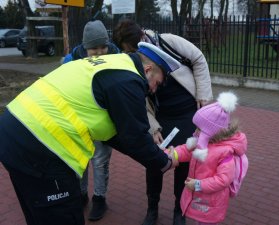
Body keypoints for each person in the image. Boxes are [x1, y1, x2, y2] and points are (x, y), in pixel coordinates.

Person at [0, 42, 180, 225]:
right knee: (64, 216)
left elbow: (120, 136)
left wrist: (153, 153)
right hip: (40, 146)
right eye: (157, 82)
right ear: (148, 69)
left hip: (15, 129)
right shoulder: (129, 80)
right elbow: (135, 138)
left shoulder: (113, 64)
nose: (154, 89)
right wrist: (164, 161)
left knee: (39, 214)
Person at [113, 19, 213, 225]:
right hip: (161, 116)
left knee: (184, 162)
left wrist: (203, 93)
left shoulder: (168, 41)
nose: (133, 54)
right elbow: (139, 99)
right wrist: (152, 127)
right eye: (128, 51)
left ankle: (180, 210)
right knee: (154, 160)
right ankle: (152, 208)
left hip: (187, 113)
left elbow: (198, 58)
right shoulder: (131, 63)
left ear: (141, 38)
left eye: (133, 49)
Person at [63, 20, 119, 221]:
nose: (100, 52)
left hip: (103, 120)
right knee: (81, 159)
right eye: (94, 48)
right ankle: (80, 194)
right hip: (78, 120)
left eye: (103, 46)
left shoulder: (117, 58)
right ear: (85, 47)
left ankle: (99, 198)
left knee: (100, 160)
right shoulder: (71, 61)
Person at [166, 92, 248, 225]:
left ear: (210, 131)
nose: (196, 132)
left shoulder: (225, 152)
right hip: (201, 197)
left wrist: (198, 185)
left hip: (212, 201)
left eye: (199, 129)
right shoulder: (203, 142)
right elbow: (186, 151)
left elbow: (224, 179)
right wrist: (171, 153)